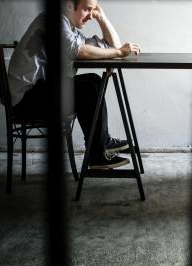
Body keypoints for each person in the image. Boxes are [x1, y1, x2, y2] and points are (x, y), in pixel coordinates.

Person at [8, 0, 141, 169]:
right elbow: (79, 50)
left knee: (93, 80)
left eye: (92, 11)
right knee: (87, 90)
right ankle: (97, 155)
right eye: (86, 9)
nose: (90, 16)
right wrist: (119, 52)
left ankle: (102, 142)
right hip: (27, 100)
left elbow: (112, 47)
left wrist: (102, 17)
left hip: (40, 91)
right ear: (69, 5)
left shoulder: (70, 30)